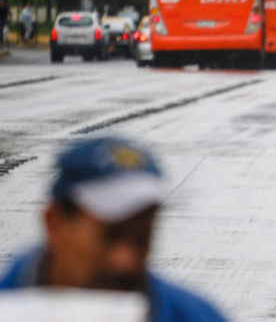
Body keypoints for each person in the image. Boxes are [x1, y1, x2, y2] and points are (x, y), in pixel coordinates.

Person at [0, 137, 227, 322]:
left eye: (141, 238)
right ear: (55, 224)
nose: (126, 261)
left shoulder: (195, 316)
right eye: (109, 236)